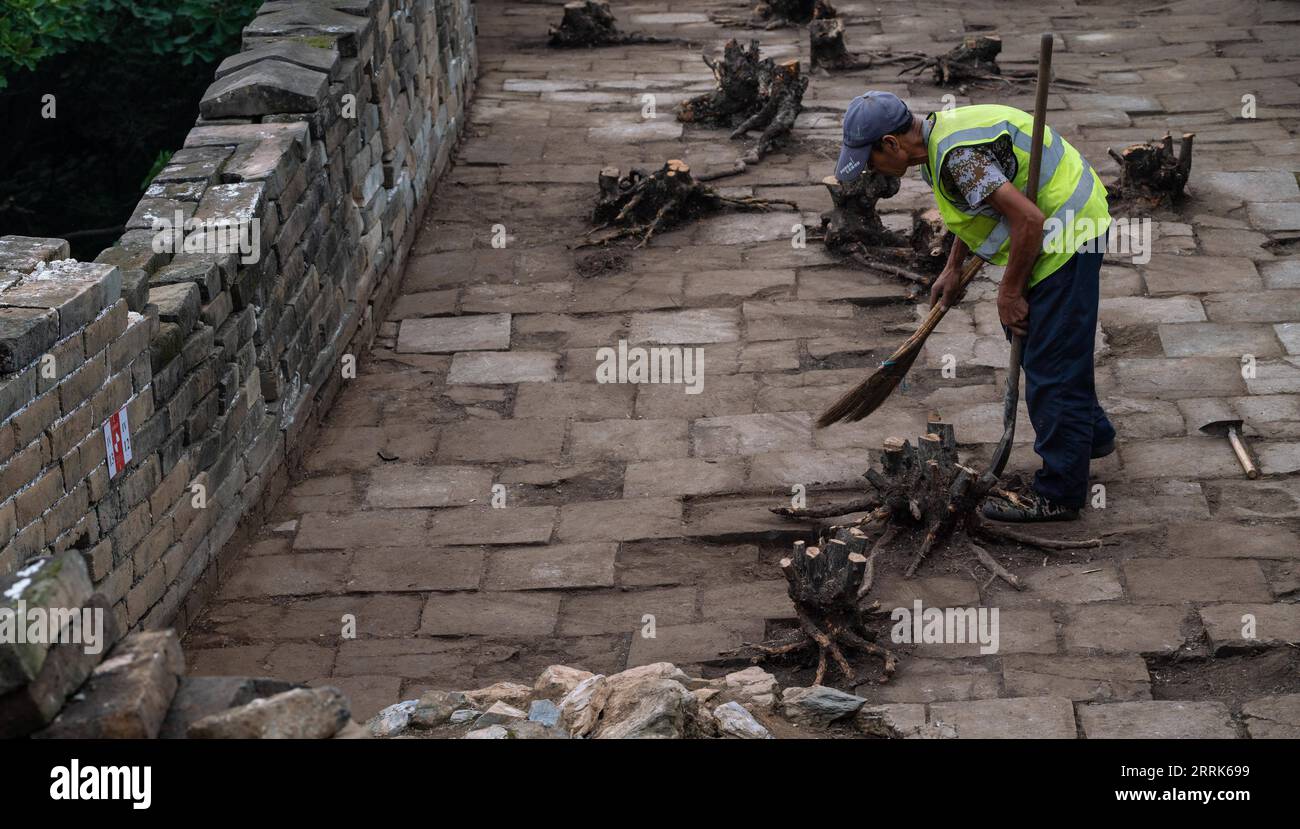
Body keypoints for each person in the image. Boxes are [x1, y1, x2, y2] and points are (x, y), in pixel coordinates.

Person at [835, 91, 1114, 523]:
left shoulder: (957, 159)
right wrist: (952, 266)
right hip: (1056, 222)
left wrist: (1009, 292)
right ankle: (1089, 436)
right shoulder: (934, 146)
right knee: (1049, 348)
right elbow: (983, 207)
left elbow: (1028, 221)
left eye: (869, 160)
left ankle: (1060, 493)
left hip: (1066, 231)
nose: (871, 171)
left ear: (890, 144)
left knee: (1050, 366)